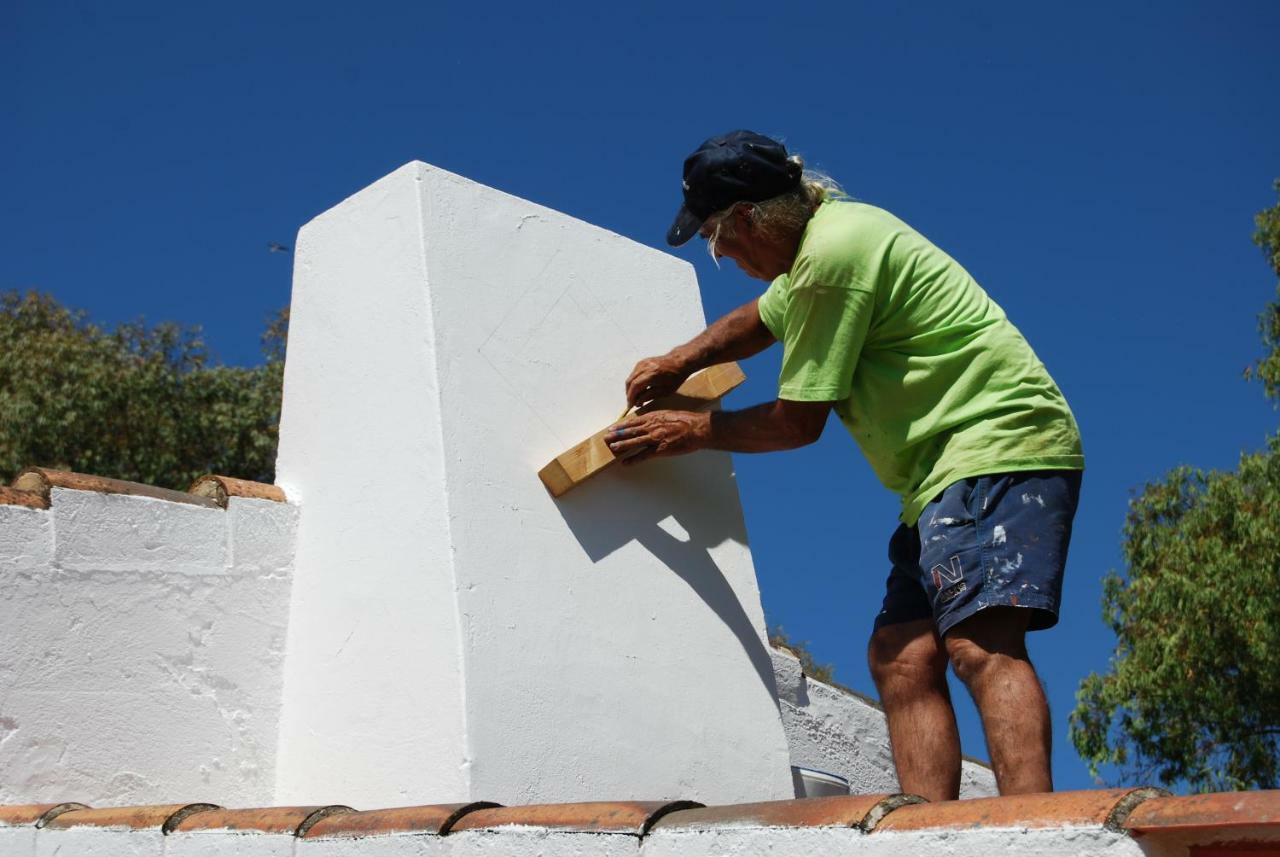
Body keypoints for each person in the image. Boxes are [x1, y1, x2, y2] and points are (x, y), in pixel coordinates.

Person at [606, 130, 1084, 801]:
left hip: (996, 444)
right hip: (935, 478)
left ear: (747, 218)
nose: (726, 254)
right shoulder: (815, 255)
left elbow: (798, 424)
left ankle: (1036, 825)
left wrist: (689, 433)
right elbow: (759, 320)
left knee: (978, 642)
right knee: (901, 654)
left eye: (718, 239)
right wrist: (680, 360)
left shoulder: (833, 257)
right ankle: (924, 830)